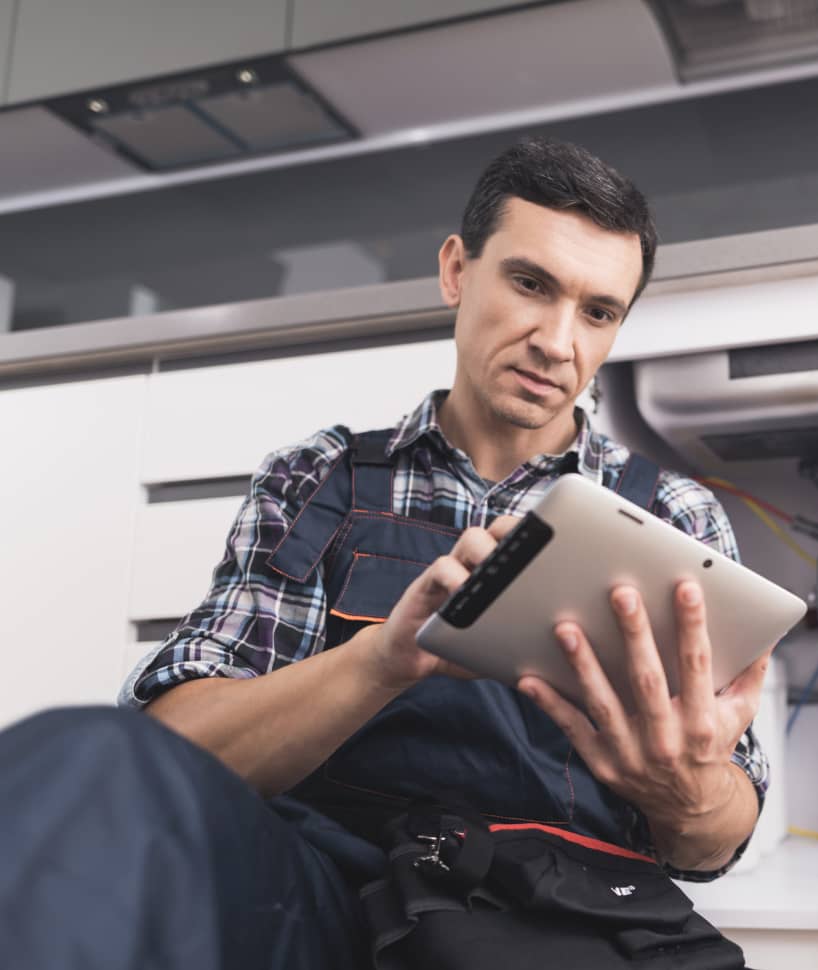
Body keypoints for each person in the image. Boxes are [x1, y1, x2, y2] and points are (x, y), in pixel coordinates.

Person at [0, 136, 769, 970]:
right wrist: (382, 661)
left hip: (569, 915)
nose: (557, 340)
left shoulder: (675, 517)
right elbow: (170, 758)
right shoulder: (318, 479)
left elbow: (713, 840)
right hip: (335, 902)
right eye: (530, 283)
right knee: (82, 757)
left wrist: (685, 790)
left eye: (598, 311)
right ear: (456, 271)